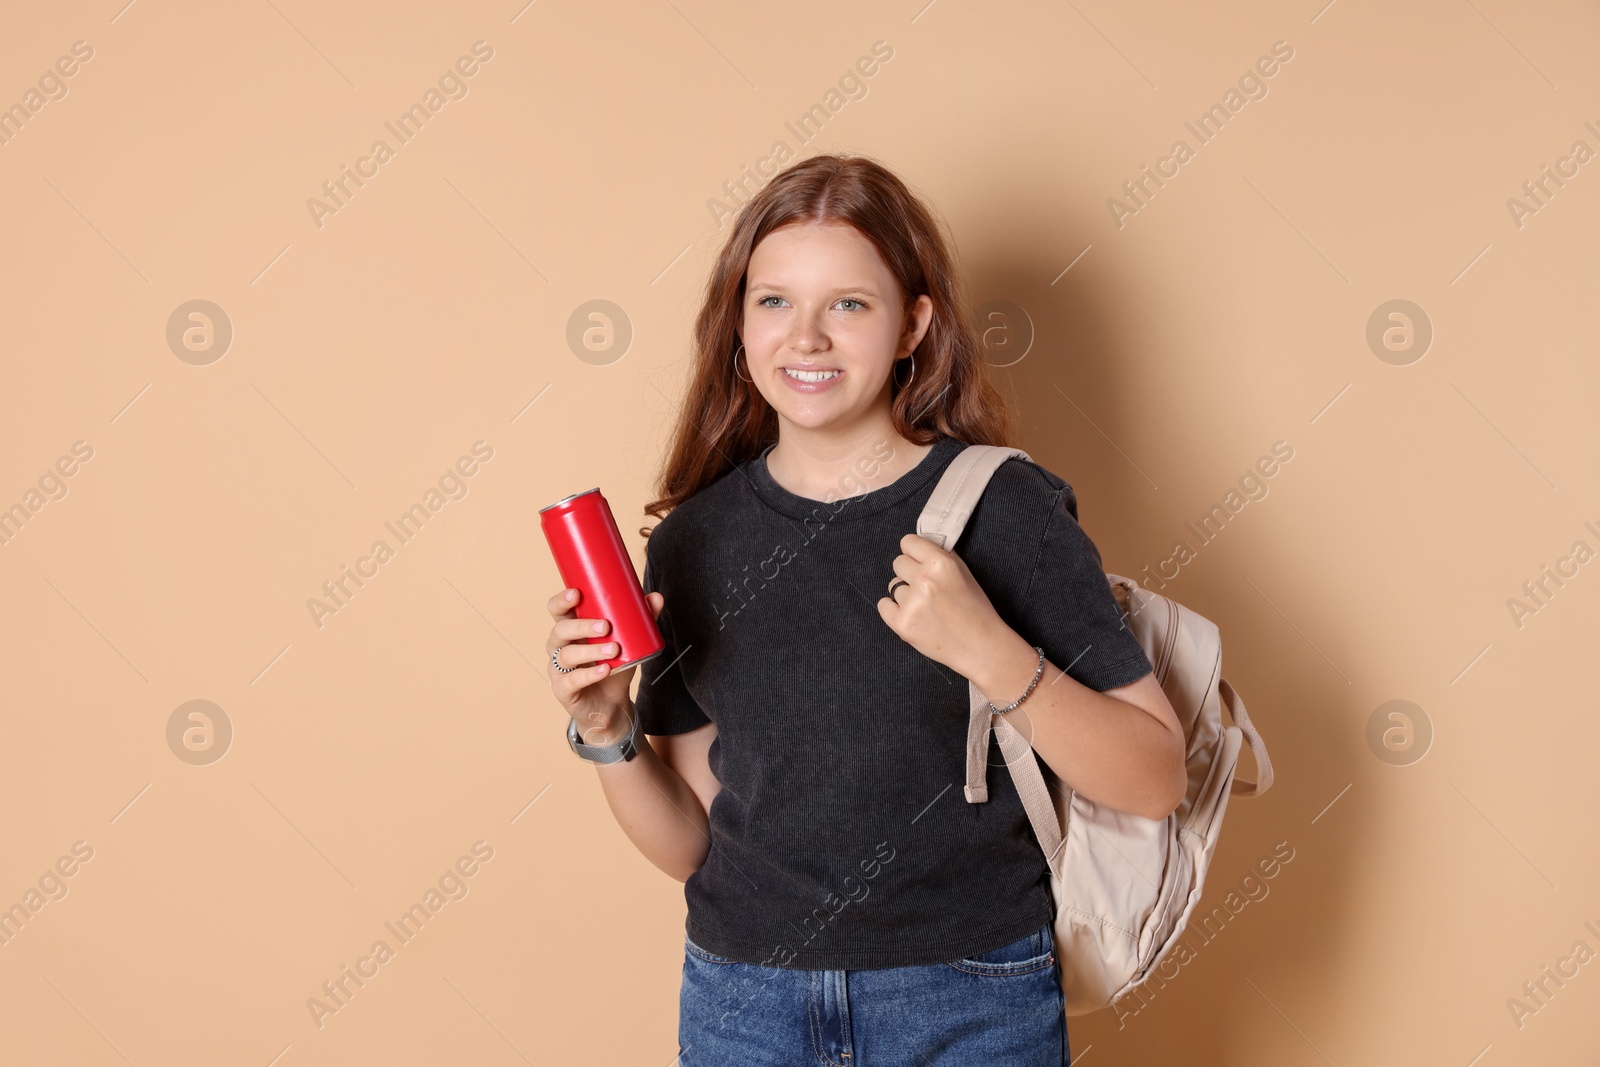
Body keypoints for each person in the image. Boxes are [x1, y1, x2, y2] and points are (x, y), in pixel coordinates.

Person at [543, 153, 1188, 1066]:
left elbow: (1156, 775)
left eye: (848, 304)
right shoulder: (693, 543)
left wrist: (993, 653)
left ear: (911, 326)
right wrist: (608, 731)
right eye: (773, 302)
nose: (805, 338)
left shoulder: (1002, 507)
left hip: (969, 995)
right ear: (738, 322)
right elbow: (697, 843)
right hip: (744, 1000)